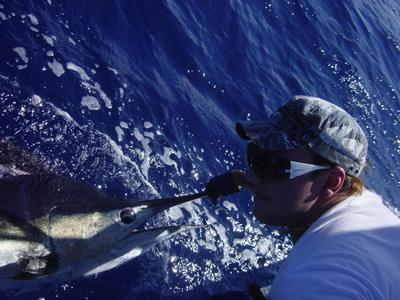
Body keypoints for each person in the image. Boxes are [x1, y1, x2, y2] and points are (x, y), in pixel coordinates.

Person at [206, 95, 400, 299]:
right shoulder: (362, 201)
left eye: (275, 166)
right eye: (255, 155)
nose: (253, 174)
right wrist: (238, 178)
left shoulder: (308, 283)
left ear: (330, 182)